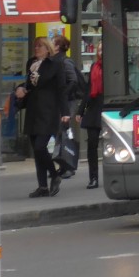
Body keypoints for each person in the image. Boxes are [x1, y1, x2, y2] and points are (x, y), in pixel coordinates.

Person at [14, 37, 68, 198]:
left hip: (48, 110)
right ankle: (42, 186)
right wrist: (21, 89)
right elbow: (28, 84)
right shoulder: (31, 63)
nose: (36, 48)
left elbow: (62, 89)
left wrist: (65, 112)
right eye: (35, 46)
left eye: (40, 46)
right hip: (33, 109)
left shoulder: (55, 64)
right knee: (36, 151)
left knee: (40, 146)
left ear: (47, 48)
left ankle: (54, 174)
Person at [52, 34, 84, 179]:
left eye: (52, 43)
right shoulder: (54, 61)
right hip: (61, 101)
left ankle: (69, 164)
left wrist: (63, 95)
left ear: (58, 46)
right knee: (60, 132)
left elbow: (73, 81)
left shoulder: (65, 61)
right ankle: (63, 164)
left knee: (64, 131)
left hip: (67, 102)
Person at [76, 44, 103, 190]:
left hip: (109, 108)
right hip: (94, 109)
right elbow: (88, 90)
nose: (101, 52)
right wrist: (80, 111)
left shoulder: (114, 66)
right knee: (92, 144)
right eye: (99, 50)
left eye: (104, 49)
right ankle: (93, 177)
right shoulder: (94, 66)